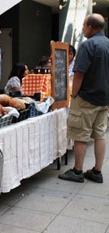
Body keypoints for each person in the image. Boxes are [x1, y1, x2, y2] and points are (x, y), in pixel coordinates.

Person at [58, 13, 109, 184]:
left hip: (86, 96)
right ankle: (97, 171)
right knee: (100, 134)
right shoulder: (108, 44)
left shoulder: (88, 45)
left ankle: (77, 171)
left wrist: (74, 94)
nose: (82, 28)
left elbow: (79, 73)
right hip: (104, 98)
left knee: (80, 134)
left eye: (84, 25)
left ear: (91, 27)